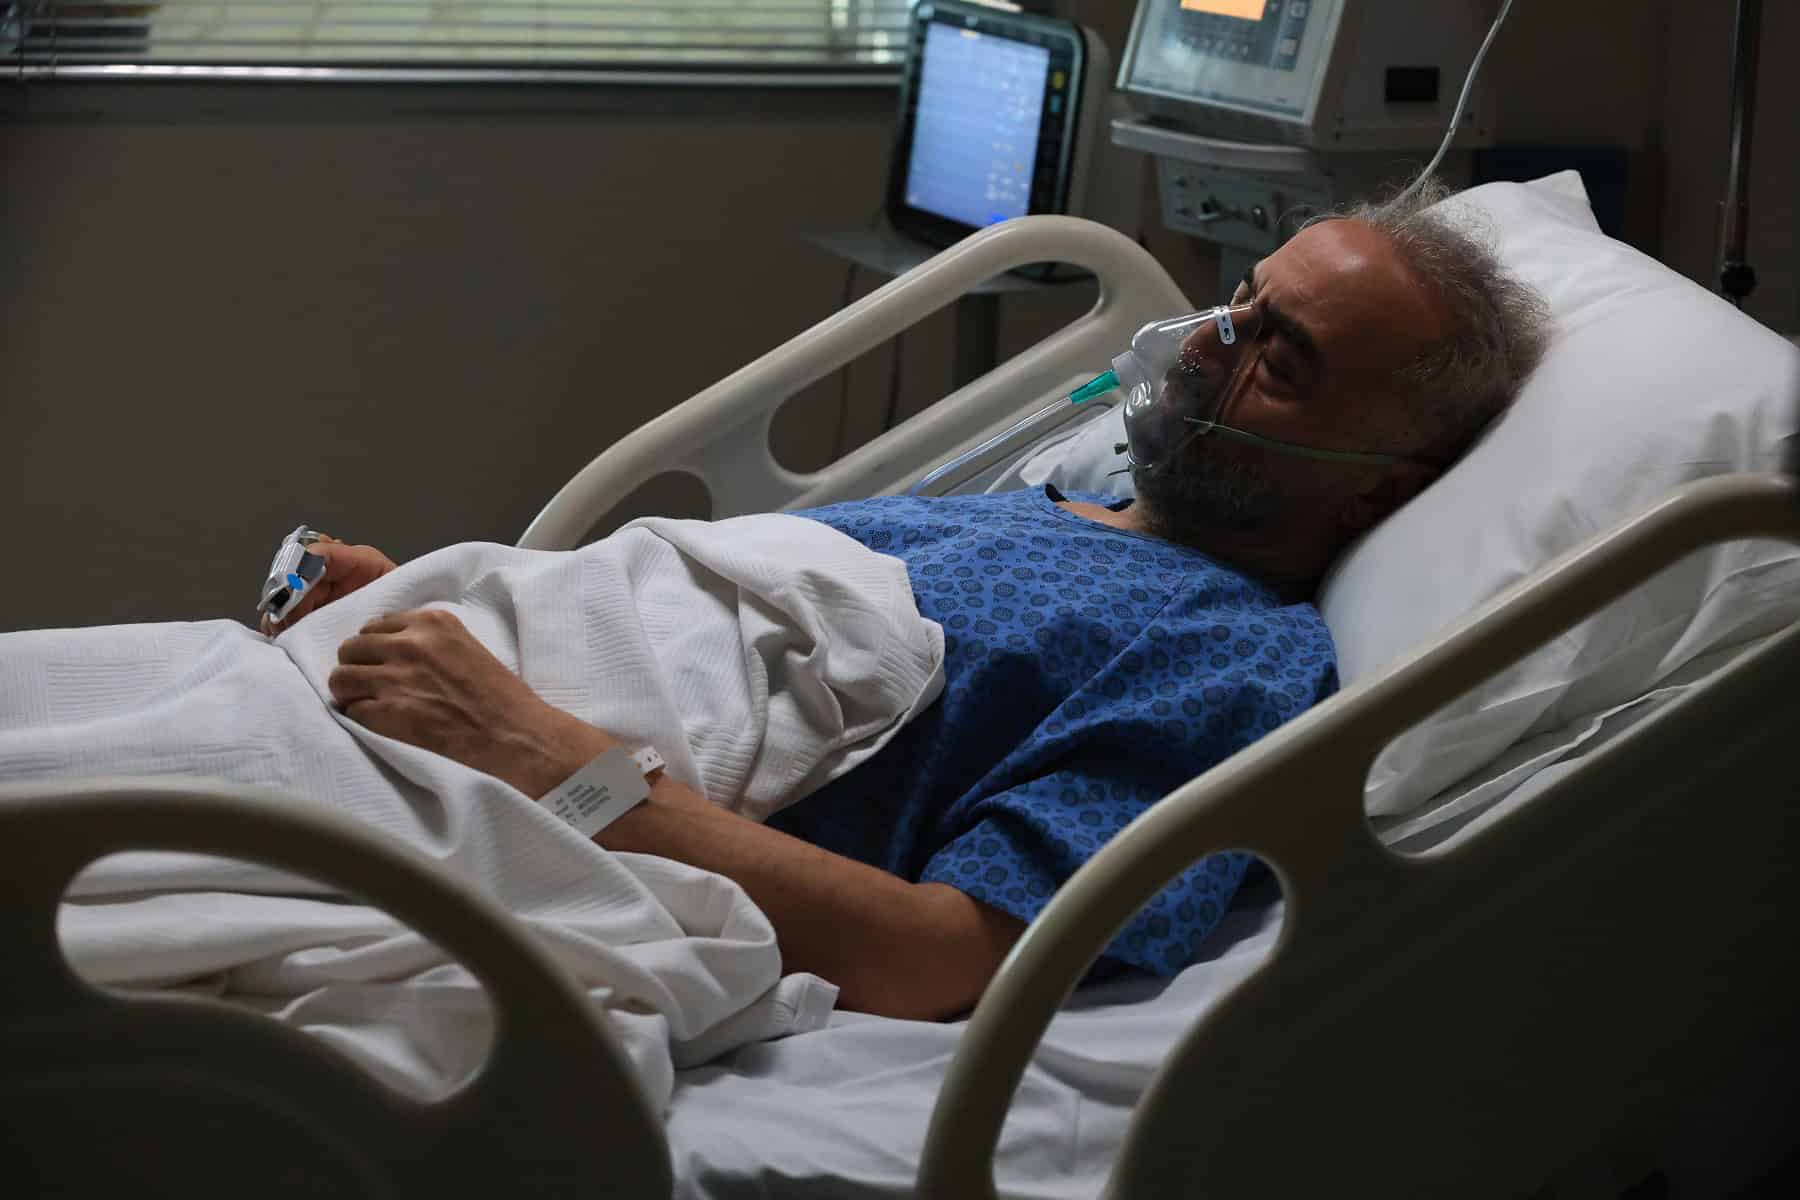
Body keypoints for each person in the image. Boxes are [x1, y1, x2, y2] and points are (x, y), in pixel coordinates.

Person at [267, 185, 1550, 1021]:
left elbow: (948, 955)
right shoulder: (1035, 506)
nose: (1215, 338)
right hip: (405, 711)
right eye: (1245, 300)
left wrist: (549, 755)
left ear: (1382, 489)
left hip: (523, 798)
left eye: (1286, 355)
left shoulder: (1230, 656)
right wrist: (427, 614)